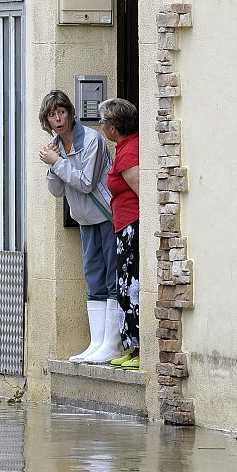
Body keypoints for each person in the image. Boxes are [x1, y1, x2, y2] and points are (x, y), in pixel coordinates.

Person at [39, 90, 122, 363]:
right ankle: (96, 343)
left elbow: (86, 182)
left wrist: (57, 163)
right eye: (52, 115)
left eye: (62, 112)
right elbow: (56, 190)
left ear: (70, 113)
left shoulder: (92, 140)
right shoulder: (56, 147)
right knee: (93, 276)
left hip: (107, 215)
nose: (58, 118)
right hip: (85, 219)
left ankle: (112, 344)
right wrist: (53, 167)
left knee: (112, 277)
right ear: (47, 120)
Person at [98, 98, 140, 370]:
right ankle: (131, 347)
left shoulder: (129, 153)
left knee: (131, 286)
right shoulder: (124, 147)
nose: (100, 126)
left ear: (112, 128)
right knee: (124, 285)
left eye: (103, 122)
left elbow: (143, 193)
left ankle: (137, 348)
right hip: (123, 225)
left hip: (132, 227)